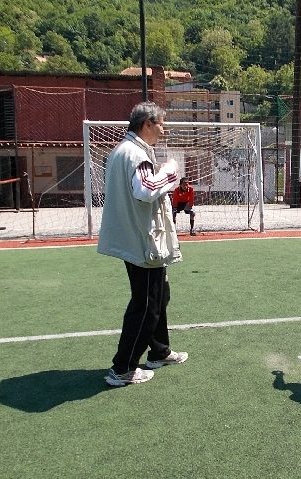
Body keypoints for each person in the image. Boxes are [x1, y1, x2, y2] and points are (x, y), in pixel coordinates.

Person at [97, 101, 188, 387]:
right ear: (147, 123)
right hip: (142, 241)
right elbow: (146, 190)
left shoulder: (124, 152)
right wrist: (172, 172)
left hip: (137, 238)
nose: (164, 129)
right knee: (146, 304)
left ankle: (159, 351)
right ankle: (123, 367)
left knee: (159, 296)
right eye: (161, 123)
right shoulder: (134, 153)